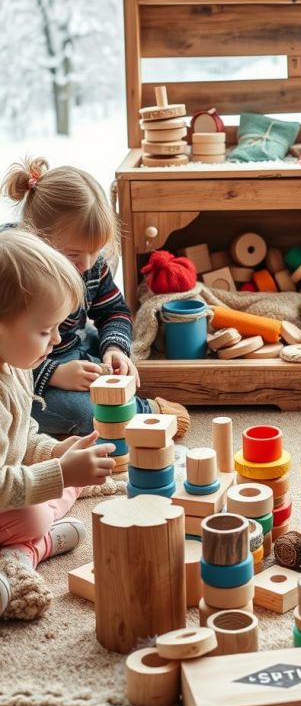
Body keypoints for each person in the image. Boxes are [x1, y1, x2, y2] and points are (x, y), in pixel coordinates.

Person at [1, 158, 189, 438]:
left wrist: (114, 349)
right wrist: (54, 374)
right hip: (25, 369)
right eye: (74, 255)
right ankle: (140, 413)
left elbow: (113, 310)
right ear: (35, 238)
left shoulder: (89, 263)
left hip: (71, 345)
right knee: (85, 414)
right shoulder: (13, 269)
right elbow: (8, 357)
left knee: (114, 362)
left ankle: (118, 398)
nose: (88, 265)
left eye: (95, 252)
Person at [0, 228, 118, 620]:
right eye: (43, 330)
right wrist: (58, 473)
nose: (54, 342)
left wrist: (56, 453)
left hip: (9, 483)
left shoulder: (16, 366)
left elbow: (24, 435)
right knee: (35, 513)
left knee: (73, 474)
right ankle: (28, 551)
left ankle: (33, 536)